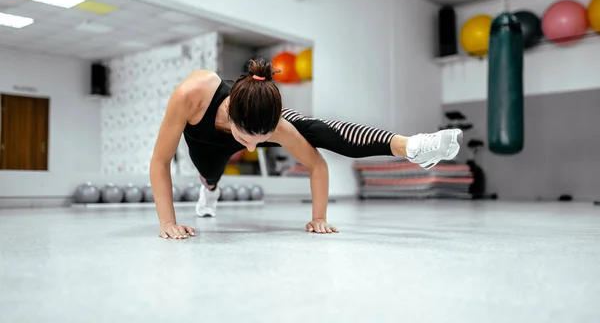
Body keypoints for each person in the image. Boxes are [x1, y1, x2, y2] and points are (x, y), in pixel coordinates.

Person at [150, 58, 462, 239]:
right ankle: (210, 190)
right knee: (210, 174)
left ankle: (414, 146)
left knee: (314, 128)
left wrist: (319, 217)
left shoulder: (273, 124)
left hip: (256, 120)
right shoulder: (190, 96)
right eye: (247, 140)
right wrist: (168, 223)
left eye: (262, 140)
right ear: (230, 113)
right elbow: (160, 162)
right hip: (202, 143)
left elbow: (317, 164)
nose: (252, 147)